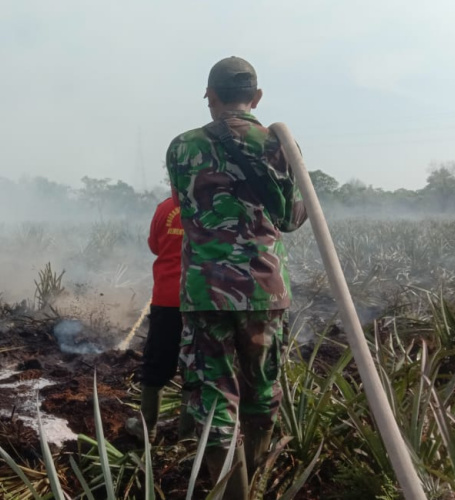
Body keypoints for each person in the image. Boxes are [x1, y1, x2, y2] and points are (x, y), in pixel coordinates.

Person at [165, 56, 308, 498]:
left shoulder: (182, 147)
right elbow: (291, 219)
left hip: (205, 290)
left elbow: (182, 206)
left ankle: (232, 492)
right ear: (256, 97)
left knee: (213, 397)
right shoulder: (279, 144)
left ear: (210, 96)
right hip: (263, 289)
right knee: (262, 390)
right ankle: (256, 479)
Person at [125, 195, 195, 443]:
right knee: (195, 366)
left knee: (156, 362)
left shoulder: (165, 208)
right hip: (200, 301)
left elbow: (155, 246)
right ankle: (187, 437)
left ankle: (146, 428)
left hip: (166, 298)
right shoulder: (210, 203)